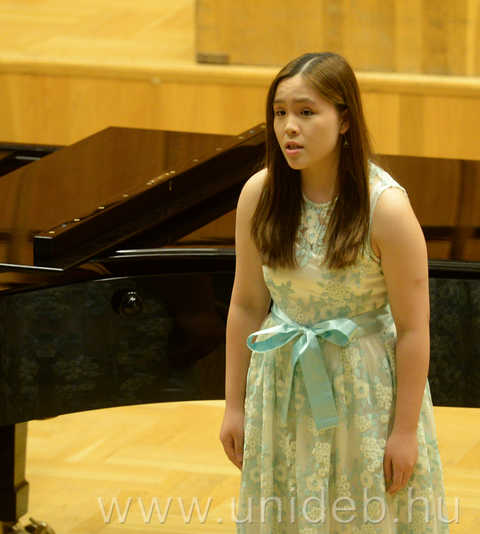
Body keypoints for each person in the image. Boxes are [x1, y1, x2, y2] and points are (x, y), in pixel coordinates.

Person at [219, 52, 450, 532]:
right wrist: (234, 406)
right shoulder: (259, 195)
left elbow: (412, 329)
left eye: (307, 112)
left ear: (345, 120)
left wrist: (404, 432)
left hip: (362, 391)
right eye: (280, 112)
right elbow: (246, 304)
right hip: (281, 384)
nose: (289, 127)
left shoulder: (386, 209)